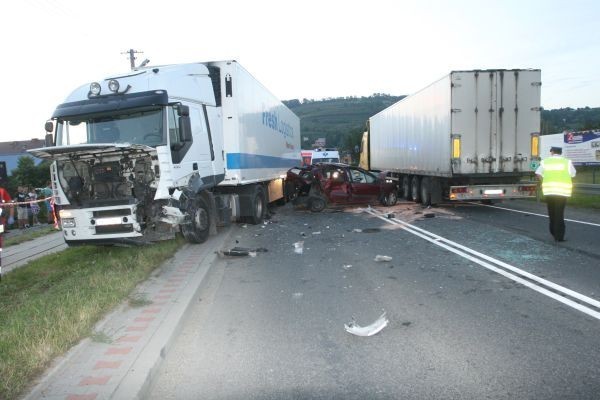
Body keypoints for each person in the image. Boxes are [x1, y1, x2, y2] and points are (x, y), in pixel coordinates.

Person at [535, 146, 576, 242]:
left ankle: (553, 232)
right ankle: (559, 236)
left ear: (552, 152)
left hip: (549, 191)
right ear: (560, 153)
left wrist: (544, 181)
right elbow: (573, 174)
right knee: (559, 213)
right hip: (562, 192)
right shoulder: (567, 162)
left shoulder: (545, 161)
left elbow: (538, 173)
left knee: (551, 212)